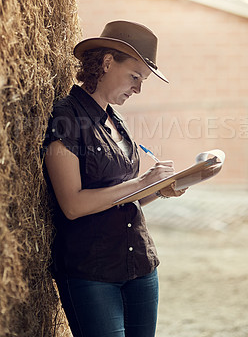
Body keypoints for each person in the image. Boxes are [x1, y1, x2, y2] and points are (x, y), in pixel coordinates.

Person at [43, 20, 186, 337]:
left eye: (143, 81)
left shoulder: (116, 120)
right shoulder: (66, 116)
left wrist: (159, 190)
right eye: (135, 77)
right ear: (107, 63)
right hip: (92, 273)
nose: (138, 88)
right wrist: (142, 182)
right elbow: (73, 205)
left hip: (140, 267)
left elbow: (122, 199)